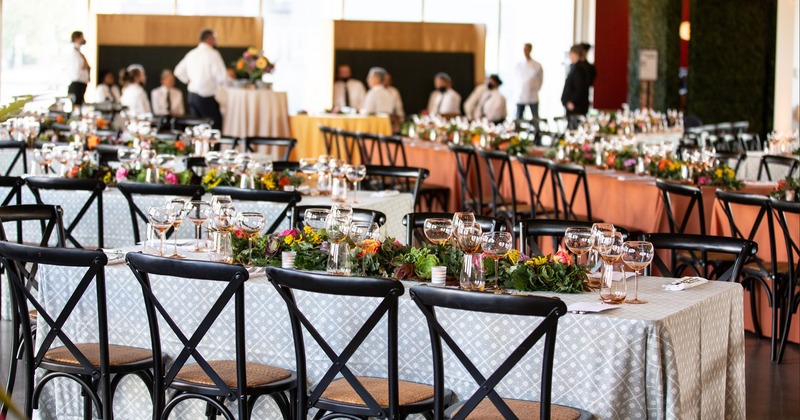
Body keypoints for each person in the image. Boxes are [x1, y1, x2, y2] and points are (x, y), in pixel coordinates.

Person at [174, 28, 227, 129]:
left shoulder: (192, 53)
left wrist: (188, 80)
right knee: (214, 127)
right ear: (210, 39)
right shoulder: (213, 54)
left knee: (197, 128)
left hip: (192, 96)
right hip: (206, 98)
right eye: (215, 38)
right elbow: (222, 77)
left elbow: (178, 71)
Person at [561, 44, 593, 122]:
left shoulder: (579, 69)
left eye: (571, 53)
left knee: (575, 126)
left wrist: (572, 101)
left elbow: (580, 88)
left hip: (576, 107)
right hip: (574, 106)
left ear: (575, 54)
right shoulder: (574, 67)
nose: (570, 56)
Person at [515, 43, 544, 120]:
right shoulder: (519, 65)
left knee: (535, 118)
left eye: (527, 49)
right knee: (518, 118)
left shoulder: (537, 65)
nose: (525, 51)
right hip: (521, 95)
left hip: (533, 95)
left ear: (530, 50)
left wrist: (535, 88)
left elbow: (540, 80)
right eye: (524, 49)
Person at [67, 31, 90, 109]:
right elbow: (79, 67)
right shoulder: (74, 53)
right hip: (77, 84)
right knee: (77, 107)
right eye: (82, 37)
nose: (83, 39)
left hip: (81, 84)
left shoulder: (78, 52)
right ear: (77, 38)